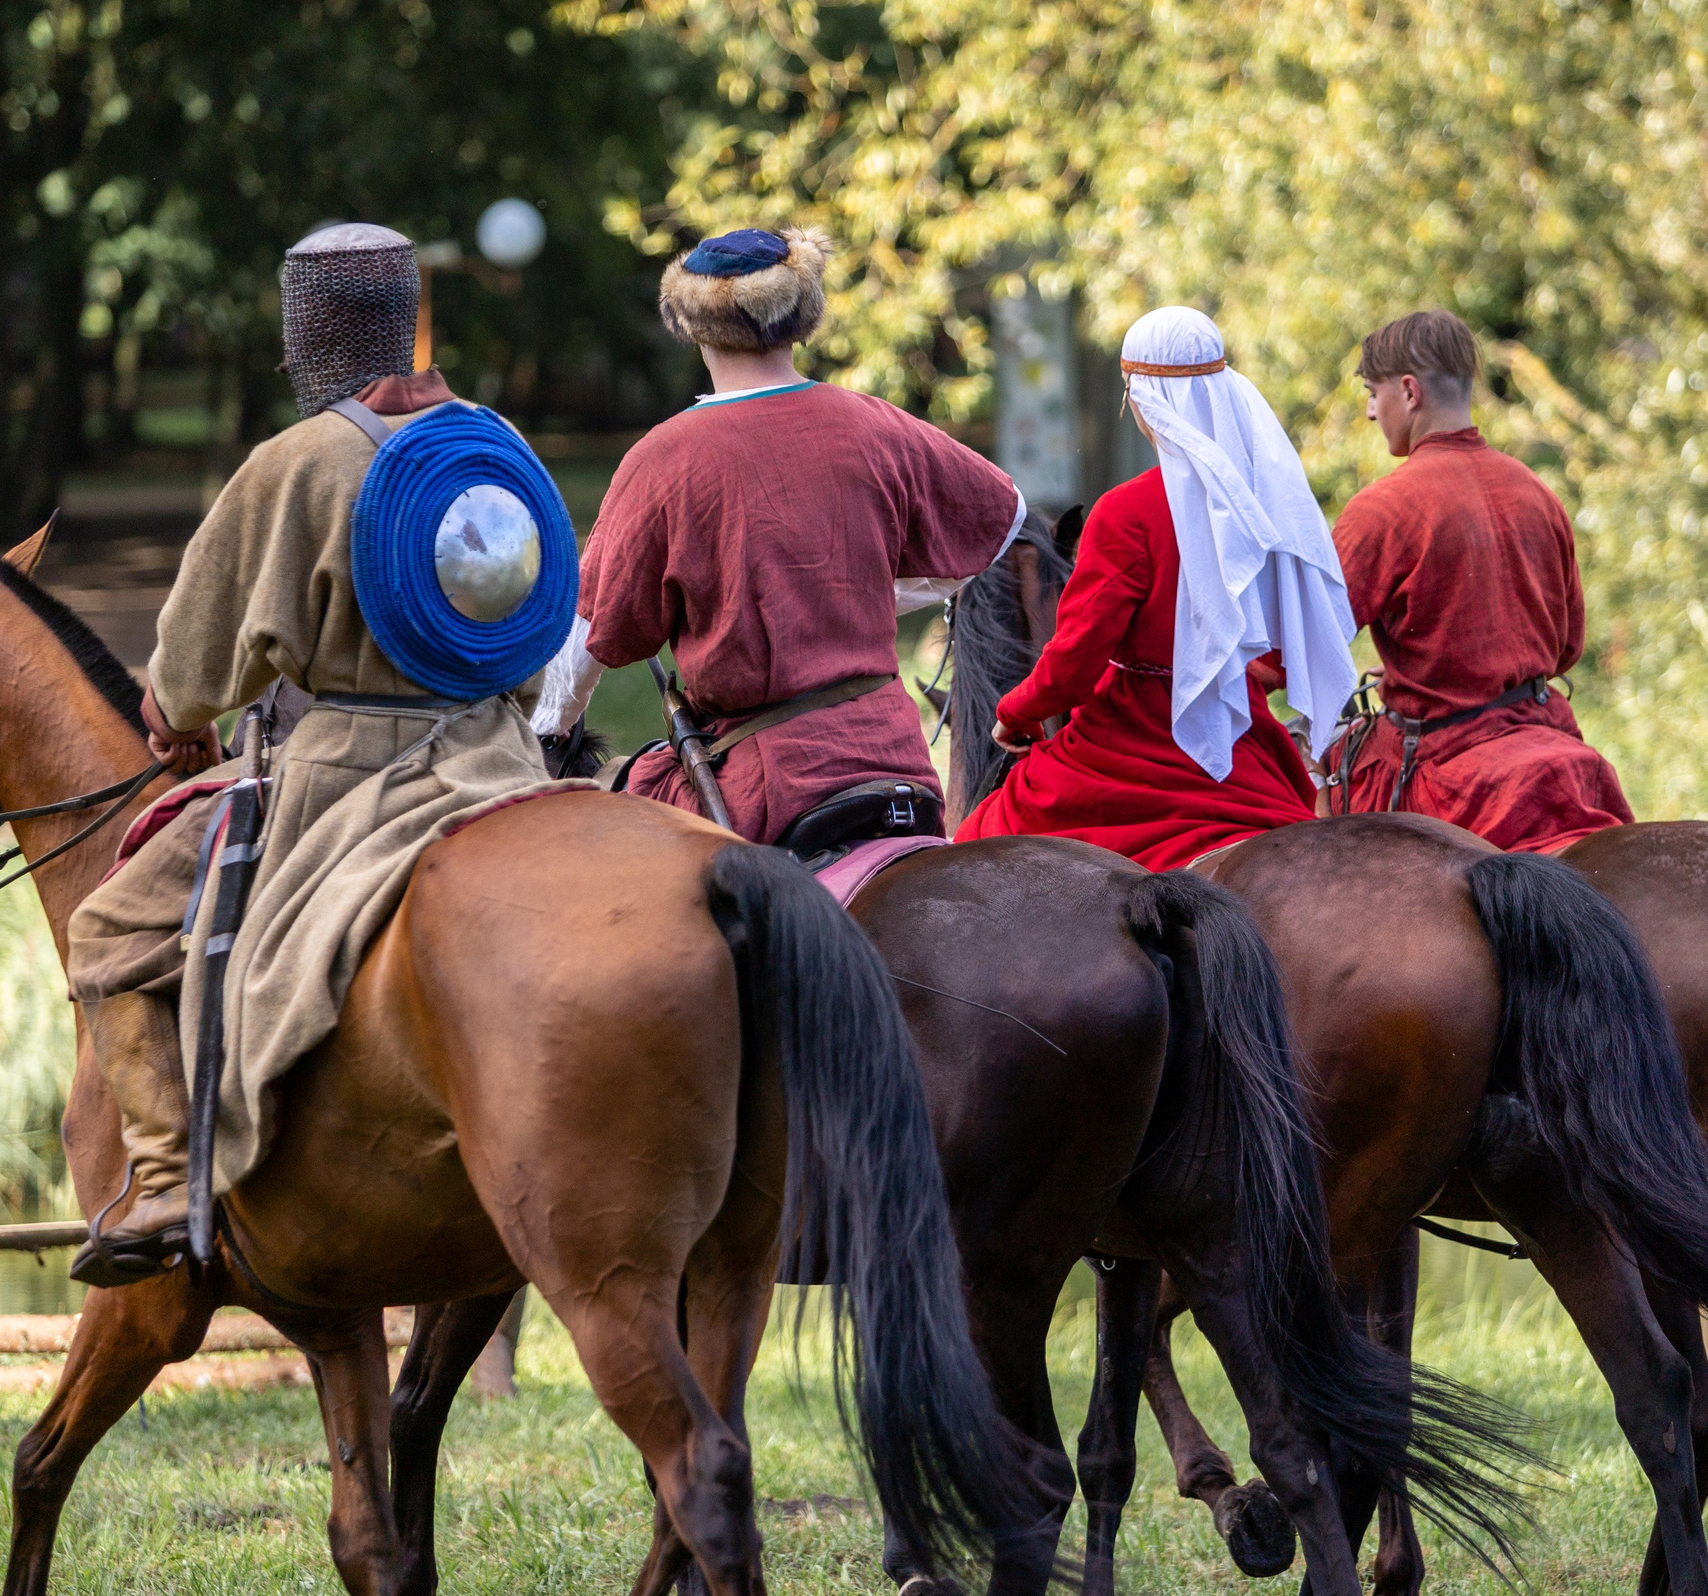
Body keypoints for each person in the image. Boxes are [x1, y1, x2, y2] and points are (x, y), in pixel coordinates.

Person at [64, 221, 561, 1286]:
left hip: (341, 782)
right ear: (402, 315)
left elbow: (189, 683)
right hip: (507, 762)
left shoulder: (295, 463)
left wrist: (177, 717)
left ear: (306, 336)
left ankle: (159, 1181)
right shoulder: (498, 448)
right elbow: (533, 644)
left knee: (106, 931)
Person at [532, 227, 1025, 844]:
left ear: (689, 323)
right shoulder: (877, 425)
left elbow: (588, 629)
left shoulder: (663, 458)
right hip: (898, 761)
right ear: (800, 316)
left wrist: (548, 730)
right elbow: (1004, 518)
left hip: (760, 788)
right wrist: (860, 592)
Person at [954, 306, 1357, 870]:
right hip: (1242, 736)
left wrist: (1017, 710)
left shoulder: (1126, 511)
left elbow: (1076, 658)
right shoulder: (1267, 505)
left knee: (979, 842)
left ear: (1145, 400)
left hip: (1128, 745)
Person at [1325, 308, 1631, 852]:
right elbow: (1565, 647)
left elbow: (1301, 647)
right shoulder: (1537, 493)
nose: (1371, 412)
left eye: (1374, 393)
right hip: (1549, 740)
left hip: (1444, 773)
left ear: (1410, 392)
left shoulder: (1384, 510)